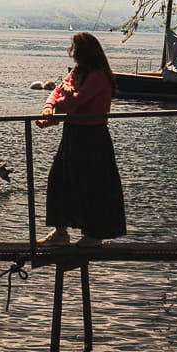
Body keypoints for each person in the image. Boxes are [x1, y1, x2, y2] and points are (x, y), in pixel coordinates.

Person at [36, 31, 126, 247]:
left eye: (75, 50)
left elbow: (74, 102)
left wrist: (63, 97)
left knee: (93, 185)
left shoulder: (98, 76)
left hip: (93, 136)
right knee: (60, 179)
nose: (73, 54)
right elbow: (58, 90)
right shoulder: (78, 72)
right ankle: (60, 232)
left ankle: (94, 235)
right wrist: (49, 106)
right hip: (73, 133)